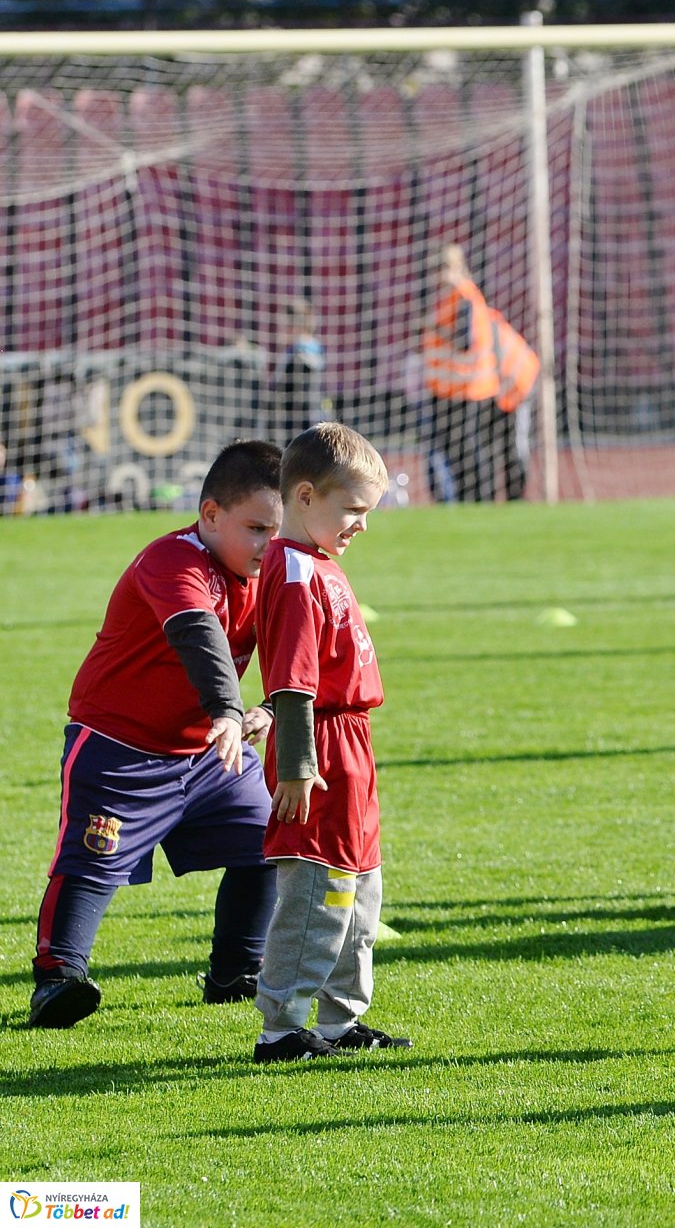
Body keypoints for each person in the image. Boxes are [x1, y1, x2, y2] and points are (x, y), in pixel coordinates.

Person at [29, 441, 285, 1029]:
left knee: (269, 842)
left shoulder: (270, 572)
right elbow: (199, 635)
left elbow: (302, 652)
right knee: (91, 863)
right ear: (210, 514)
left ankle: (236, 972)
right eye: (256, 528)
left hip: (210, 754)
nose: (268, 544)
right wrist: (228, 709)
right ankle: (58, 979)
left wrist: (270, 707)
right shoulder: (172, 560)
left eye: (277, 531)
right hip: (119, 748)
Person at [252, 423, 410, 1062]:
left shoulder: (318, 563)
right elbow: (292, 682)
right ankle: (282, 1028)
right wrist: (296, 765)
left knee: (361, 888)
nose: (362, 525)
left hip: (352, 747)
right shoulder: (293, 572)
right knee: (319, 890)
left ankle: (341, 1019)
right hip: (318, 751)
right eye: (353, 509)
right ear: (306, 496)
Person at [423, 245, 540, 504]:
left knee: (500, 447)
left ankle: (509, 500)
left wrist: (434, 329)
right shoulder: (453, 300)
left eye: (443, 267)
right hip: (473, 387)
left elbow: (466, 342)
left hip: (498, 386)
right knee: (474, 448)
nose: (438, 275)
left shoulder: (465, 297)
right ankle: (483, 500)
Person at [262, 298, 328, 445]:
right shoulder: (313, 348)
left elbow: (277, 387)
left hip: (296, 420)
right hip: (309, 416)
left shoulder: (299, 352)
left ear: (294, 325)